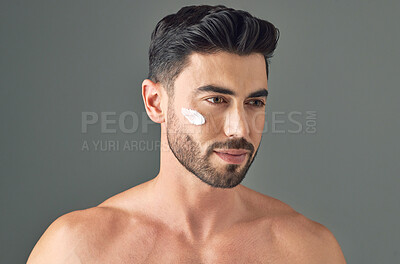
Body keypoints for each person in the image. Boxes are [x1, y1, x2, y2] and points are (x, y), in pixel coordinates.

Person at [27, 5, 346, 263]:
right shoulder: (78, 249)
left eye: (254, 102)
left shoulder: (306, 250)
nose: (240, 128)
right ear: (155, 102)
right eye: (216, 100)